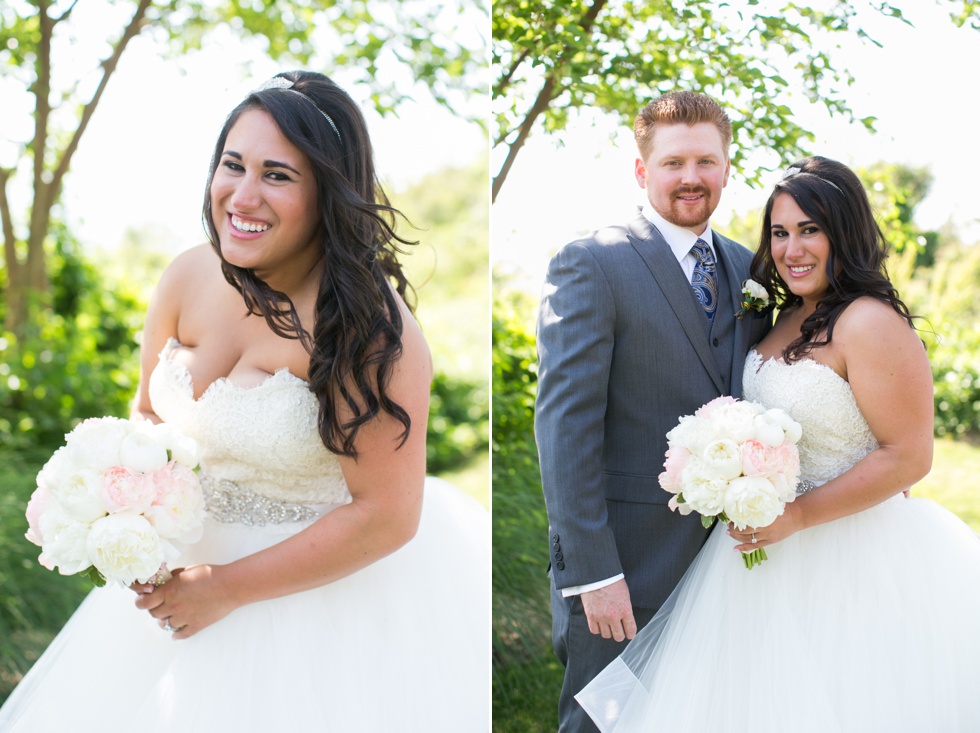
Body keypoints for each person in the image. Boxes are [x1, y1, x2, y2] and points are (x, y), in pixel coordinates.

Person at [0, 71, 489, 732]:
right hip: (169, 589)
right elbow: (146, 415)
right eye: (233, 165)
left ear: (328, 194)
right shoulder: (187, 274)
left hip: (311, 604)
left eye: (278, 175)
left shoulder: (370, 330)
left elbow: (387, 515)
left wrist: (223, 588)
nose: (243, 195)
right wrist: (124, 518)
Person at [575, 156, 980, 732]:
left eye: (811, 230)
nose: (793, 248)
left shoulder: (869, 322)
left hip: (849, 557)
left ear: (846, 233)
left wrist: (797, 515)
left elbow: (909, 456)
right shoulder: (785, 315)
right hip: (758, 556)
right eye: (780, 232)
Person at [534, 91, 771, 733]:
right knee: (607, 725)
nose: (690, 177)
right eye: (673, 163)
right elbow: (565, 427)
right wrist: (593, 573)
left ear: (726, 167)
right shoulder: (593, 262)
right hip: (626, 568)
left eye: (706, 161)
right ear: (642, 171)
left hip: (731, 564)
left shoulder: (752, 271)